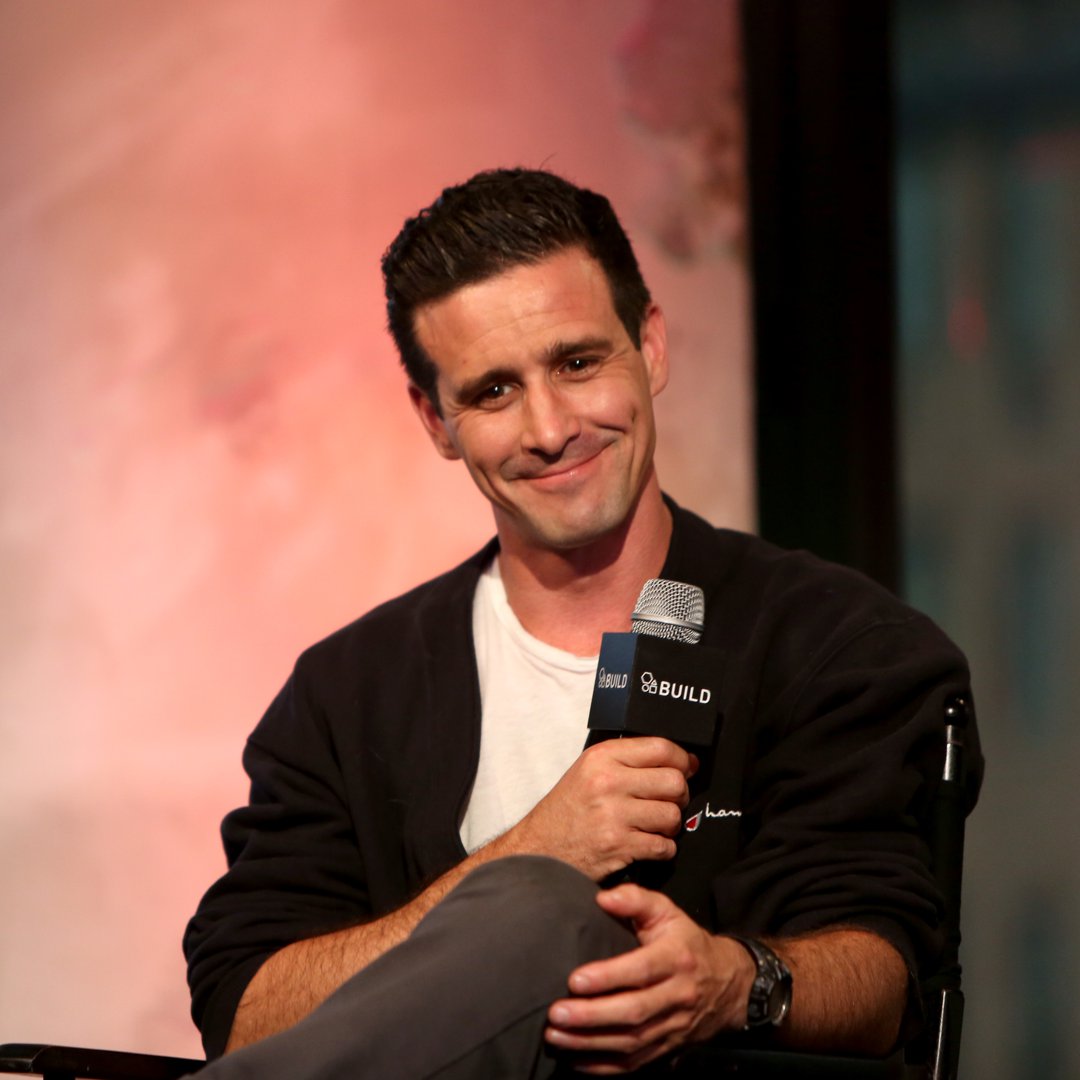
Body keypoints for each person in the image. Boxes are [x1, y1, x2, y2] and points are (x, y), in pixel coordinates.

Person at [183, 168, 981, 1077]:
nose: (550, 427)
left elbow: (885, 980)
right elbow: (249, 1015)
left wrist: (731, 981)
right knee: (534, 900)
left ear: (651, 346)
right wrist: (534, 851)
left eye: (576, 362)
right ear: (434, 420)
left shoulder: (837, 646)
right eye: (492, 392)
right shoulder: (348, 692)